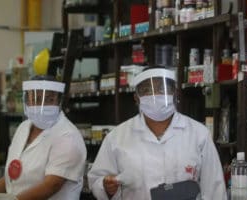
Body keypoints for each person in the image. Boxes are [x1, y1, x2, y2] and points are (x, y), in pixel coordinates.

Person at [88, 67, 227, 200]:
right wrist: (106, 187)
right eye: (147, 90)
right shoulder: (116, 137)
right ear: (136, 97)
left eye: (162, 88)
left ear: (175, 93)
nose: (156, 95)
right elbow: (96, 180)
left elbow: (214, 189)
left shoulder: (198, 134)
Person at [0, 75, 87, 200]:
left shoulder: (67, 136)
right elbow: (14, 175)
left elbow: (52, 185)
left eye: (49, 99)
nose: (42, 105)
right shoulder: (23, 128)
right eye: (37, 99)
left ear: (59, 101)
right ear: (27, 100)